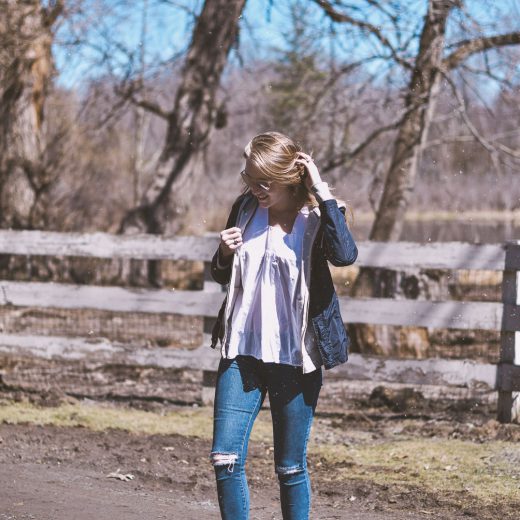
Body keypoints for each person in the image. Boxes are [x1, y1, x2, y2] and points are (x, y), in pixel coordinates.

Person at [208, 131, 358, 520]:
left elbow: (345, 255)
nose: (256, 188)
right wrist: (223, 253)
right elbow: (222, 275)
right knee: (225, 459)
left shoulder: (318, 216)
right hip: (242, 353)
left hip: (296, 359)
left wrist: (321, 189)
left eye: (265, 181)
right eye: (249, 178)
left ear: (287, 177)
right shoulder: (244, 209)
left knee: (289, 468)